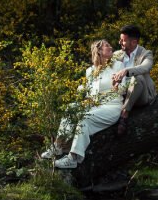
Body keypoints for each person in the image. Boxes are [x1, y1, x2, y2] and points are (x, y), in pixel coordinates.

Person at [41, 39, 125, 169]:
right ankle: (58, 147)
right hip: (94, 105)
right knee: (71, 108)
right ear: (99, 51)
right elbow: (89, 91)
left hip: (112, 106)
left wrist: (116, 86)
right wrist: (84, 94)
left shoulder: (118, 66)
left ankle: (72, 158)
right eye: (106, 46)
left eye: (110, 45)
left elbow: (124, 89)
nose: (110, 47)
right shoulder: (90, 70)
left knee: (85, 118)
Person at [111, 24, 156, 136]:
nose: (119, 42)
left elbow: (145, 67)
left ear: (134, 42)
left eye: (123, 40)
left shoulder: (146, 54)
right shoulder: (116, 55)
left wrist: (126, 71)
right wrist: (113, 79)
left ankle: (124, 114)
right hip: (121, 94)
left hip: (141, 96)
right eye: (120, 39)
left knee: (138, 77)